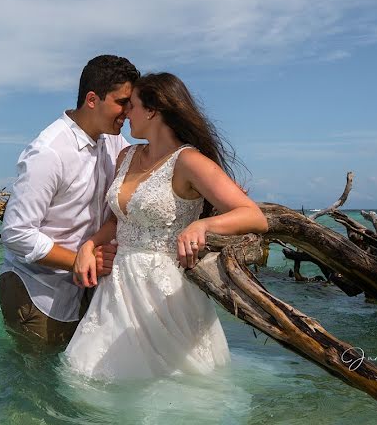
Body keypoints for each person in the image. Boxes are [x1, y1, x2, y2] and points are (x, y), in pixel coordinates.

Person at [64, 72, 268, 380]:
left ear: (152, 110)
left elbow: (253, 215)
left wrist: (202, 226)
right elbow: (117, 221)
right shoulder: (126, 156)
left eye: (131, 105)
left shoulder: (189, 161)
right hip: (117, 286)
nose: (125, 112)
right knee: (90, 379)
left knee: (175, 387)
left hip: (164, 290)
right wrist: (89, 245)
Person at [0, 55, 140, 345]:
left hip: (83, 288)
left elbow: (148, 169)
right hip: (36, 292)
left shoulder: (112, 140)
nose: (128, 112)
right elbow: (16, 233)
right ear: (92, 99)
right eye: (121, 102)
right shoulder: (48, 152)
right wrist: (79, 260)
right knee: (36, 386)